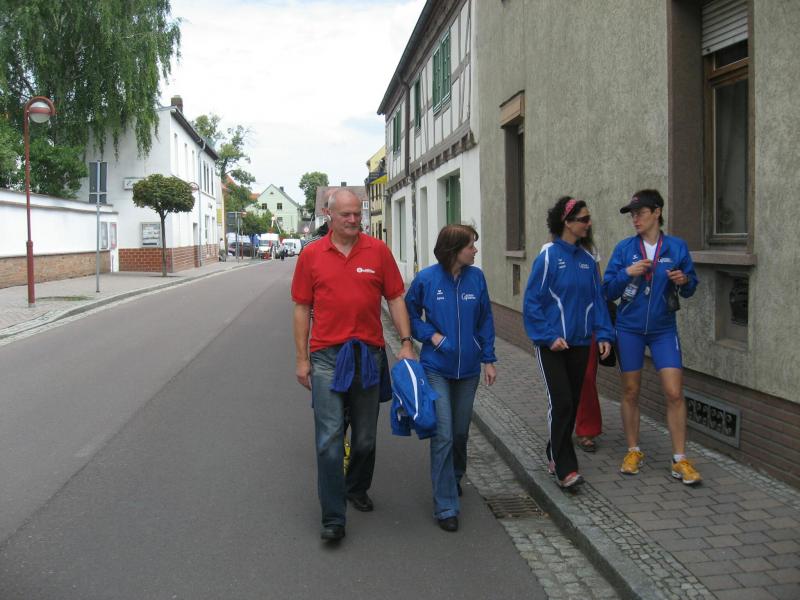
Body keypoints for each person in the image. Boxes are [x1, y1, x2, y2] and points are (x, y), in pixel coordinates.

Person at [292, 188, 416, 542]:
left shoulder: (378, 251)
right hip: (327, 356)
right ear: (329, 215)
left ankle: (356, 486)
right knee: (329, 439)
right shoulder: (312, 255)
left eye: (357, 214)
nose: (353, 219)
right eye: (346, 214)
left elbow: (395, 297)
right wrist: (302, 359)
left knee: (364, 439)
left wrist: (406, 343)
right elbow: (301, 307)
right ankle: (333, 517)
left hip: (368, 355)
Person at [603, 189, 701, 484]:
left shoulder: (676, 247)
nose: (635, 219)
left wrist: (684, 280)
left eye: (641, 213)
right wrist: (627, 273)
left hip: (663, 330)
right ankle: (633, 451)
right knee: (631, 391)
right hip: (629, 329)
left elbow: (690, 287)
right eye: (632, 215)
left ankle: (679, 459)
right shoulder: (624, 249)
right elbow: (607, 291)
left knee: (674, 392)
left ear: (657, 212)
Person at [405, 224, 497, 533]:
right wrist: (430, 335)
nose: (475, 250)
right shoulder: (427, 279)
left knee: (460, 433)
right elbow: (408, 313)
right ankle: (445, 505)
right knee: (443, 434)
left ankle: (454, 476)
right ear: (454, 250)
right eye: (471, 245)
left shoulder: (477, 278)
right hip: (436, 368)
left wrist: (488, 358)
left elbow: (485, 320)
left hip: (469, 370)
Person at [523, 197, 613, 489]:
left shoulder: (587, 260)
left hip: (581, 343)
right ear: (567, 222)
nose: (589, 223)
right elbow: (532, 302)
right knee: (561, 402)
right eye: (583, 219)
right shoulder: (548, 257)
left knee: (572, 404)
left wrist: (604, 334)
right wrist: (549, 336)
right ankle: (566, 469)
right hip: (552, 346)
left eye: (588, 218)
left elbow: (597, 300)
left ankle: (554, 450)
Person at [539, 233, 603, 453]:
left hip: (584, 328)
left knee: (587, 378)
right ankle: (560, 440)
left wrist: (601, 329)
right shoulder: (549, 251)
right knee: (562, 391)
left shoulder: (589, 252)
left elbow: (597, 291)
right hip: (558, 329)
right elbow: (540, 294)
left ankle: (587, 430)